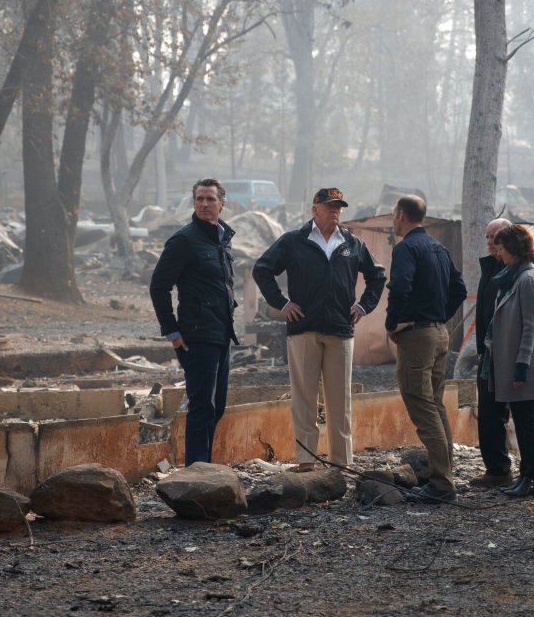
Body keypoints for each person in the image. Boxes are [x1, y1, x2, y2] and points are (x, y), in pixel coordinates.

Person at [252, 187, 386, 471]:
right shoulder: (293, 241)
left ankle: (341, 463)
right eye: (329, 206)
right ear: (315, 209)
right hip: (303, 329)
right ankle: (306, 462)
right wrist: (282, 303)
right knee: (304, 400)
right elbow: (262, 269)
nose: (335, 211)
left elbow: (377, 276)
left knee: (340, 401)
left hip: (340, 329)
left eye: (339, 206)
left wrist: (363, 307)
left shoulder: (352, 243)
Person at [149, 178, 237, 466]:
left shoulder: (222, 240)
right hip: (196, 337)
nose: (204, 204)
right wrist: (172, 331)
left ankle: (207, 470)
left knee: (217, 407)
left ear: (222, 204)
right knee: (201, 407)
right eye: (199, 199)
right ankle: (197, 475)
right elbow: (159, 287)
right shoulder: (184, 241)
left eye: (210, 199)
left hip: (221, 334)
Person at [385, 195, 467, 503]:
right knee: (435, 404)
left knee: (421, 405)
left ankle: (442, 485)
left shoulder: (407, 247)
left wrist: (393, 323)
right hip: (440, 334)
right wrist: (438, 316)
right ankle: (444, 474)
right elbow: (458, 289)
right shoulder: (438, 247)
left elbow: (401, 286)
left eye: (394, 214)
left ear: (402, 214)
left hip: (418, 337)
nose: (393, 220)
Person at [469, 218, 534, 488]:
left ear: (512, 246)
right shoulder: (507, 274)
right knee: (505, 416)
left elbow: (533, 324)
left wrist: (523, 360)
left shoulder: (530, 277)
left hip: (521, 361)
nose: (494, 248)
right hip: (501, 358)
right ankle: (518, 475)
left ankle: (532, 477)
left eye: (498, 242)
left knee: (527, 419)